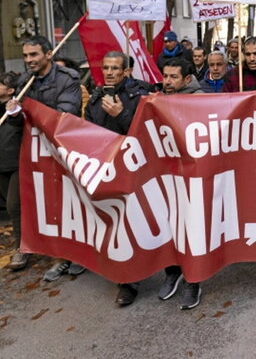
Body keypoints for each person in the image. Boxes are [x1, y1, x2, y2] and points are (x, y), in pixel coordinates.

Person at [4, 36, 83, 280]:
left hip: (59, 154)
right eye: (26, 55)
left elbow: (64, 116)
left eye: (34, 55)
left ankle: (68, 255)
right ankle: (24, 247)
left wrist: (30, 114)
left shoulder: (67, 79)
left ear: (48, 54)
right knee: (16, 204)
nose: (29, 60)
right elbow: (21, 126)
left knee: (60, 205)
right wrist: (15, 114)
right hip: (30, 153)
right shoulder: (25, 82)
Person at [85, 52, 154, 306]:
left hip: (136, 169)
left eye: (115, 68)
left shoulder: (142, 95)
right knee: (116, 224)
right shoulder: (95, 99)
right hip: (107, 170)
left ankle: (137, 278)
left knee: (137, 222)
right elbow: (88, 133)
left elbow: (146, 134)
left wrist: (121, 115)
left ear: (126, 71)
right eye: (106, 68)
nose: (110, 72)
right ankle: (126, 277)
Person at [158, 58, 204, 309]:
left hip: (192, 178)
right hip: (166, 175)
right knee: (168, 225)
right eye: (165, 76)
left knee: (192, 229)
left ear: (187, 79)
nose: (167, 81)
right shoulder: (157, 98)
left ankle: (193, 280)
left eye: (173, 77)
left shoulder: (200, 101)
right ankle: (172, 272)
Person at [1, 72, 25, 271]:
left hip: (17, 164)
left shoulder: (17, 107)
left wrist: (15, 112)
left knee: (14, 206)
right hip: (1, 165)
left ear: (10, 90)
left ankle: (22, 249)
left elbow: (20, 124)